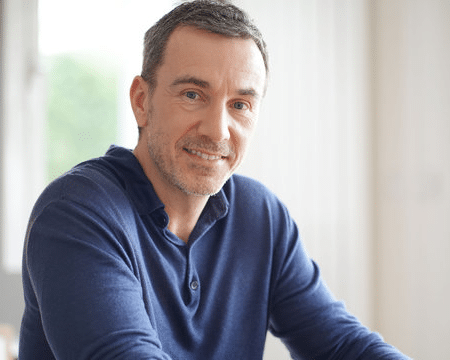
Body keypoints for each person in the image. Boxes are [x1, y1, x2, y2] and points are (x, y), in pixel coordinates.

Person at [18, 1, 411, 359]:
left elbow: (341, 344)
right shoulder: (77, 213)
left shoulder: (262, 216)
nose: (218, 131)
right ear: (142, 100)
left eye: (240, 105)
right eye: (192, 94)